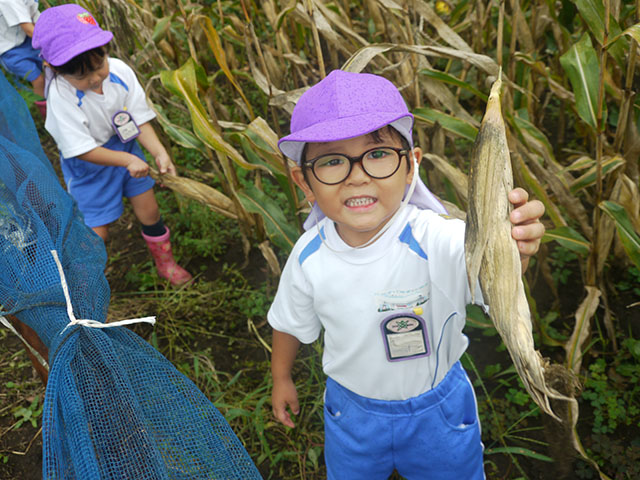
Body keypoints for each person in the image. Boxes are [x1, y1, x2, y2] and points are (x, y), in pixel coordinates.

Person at [268, 70, 546, 479]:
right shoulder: (308, 257)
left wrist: (513, 249)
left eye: (378, 154)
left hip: (438, 411)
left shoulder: (438, 237)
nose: (357, 175)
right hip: (352, 412)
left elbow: (489, 272)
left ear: (411, 165)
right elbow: (288, 323)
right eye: (332, 161)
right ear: (304, 182)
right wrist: (281, 377)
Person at [32, 4, 191, 286]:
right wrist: (126, 161)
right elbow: (82, 150)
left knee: (150, 211)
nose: (95, 79)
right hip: (90, 167)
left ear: (105, 51)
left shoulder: (120, 72)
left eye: (99, 67)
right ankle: (87, 280)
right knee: (97, 231)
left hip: (126, 147)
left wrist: (159, 153)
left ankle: (165, 263)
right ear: (54, 68)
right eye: (82, 77)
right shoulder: (60, 97)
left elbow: (138, 120)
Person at [0, 0, 44, 97]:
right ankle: (42, 101)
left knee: (47, 67)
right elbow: (29, 29)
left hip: (25, 38)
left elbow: (35, 16)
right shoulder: (10, 2)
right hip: (9, 50)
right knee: (38, 79)